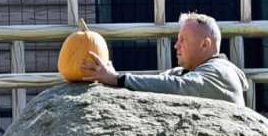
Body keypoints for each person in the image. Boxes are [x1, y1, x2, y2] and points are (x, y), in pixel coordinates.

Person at [80, 12, 249, 107]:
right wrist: (111, 76)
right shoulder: (188, 72)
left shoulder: (220, 71)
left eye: (183, 40)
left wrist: (117, 79)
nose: (176, 46)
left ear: (205, 44)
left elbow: (177, 86)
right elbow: (161, 81)